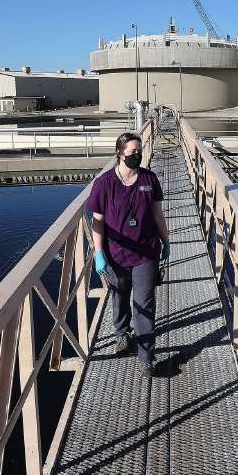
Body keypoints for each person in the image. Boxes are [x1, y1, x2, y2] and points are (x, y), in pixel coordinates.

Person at [86, 132, 170, 374]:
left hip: (146, 252)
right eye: (133, 152)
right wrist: (99, 253)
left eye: (140, 151)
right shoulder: (104, 184)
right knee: (120, 296)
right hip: (116, 254)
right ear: (120, 153)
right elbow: (98, 222)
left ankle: (146, 356)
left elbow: (157, 214)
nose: (138, 155)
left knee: (144, 303)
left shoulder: (149, 179)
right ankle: (122, 334)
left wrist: (166, 241)